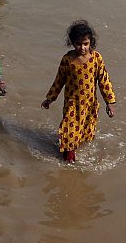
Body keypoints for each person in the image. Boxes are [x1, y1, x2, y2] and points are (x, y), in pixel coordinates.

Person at [41, 20, 117, 163]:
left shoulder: (96, 59)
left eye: (85, 44)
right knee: (69, 132)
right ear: (72, 42)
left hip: (89, 104)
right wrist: (50, 98)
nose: (82, 47)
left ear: (90, 42)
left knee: (84, 131)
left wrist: (110, 103)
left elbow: (104, 81)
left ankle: (74, 152)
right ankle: (69, 159)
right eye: (78, 44)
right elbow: (59, 81)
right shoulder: (67, 60)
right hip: (72, 104)